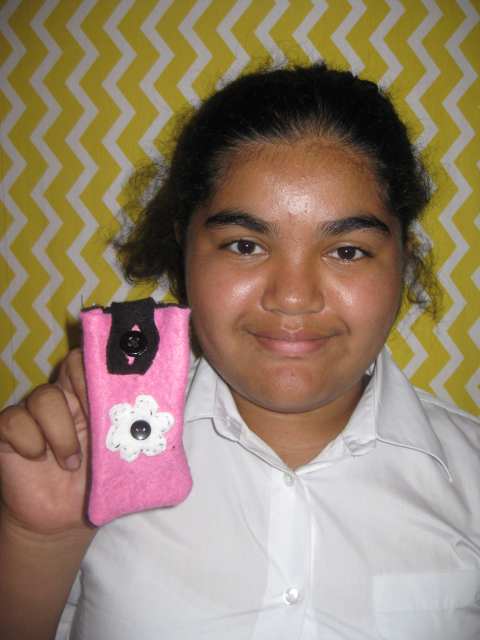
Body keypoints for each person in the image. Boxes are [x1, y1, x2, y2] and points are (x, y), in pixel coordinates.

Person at [1, 62, 479, 640]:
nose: (293, 297)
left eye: (347, 251)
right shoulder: (88, 465)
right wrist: (38, 539)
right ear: (184, 248)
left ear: (404, 256)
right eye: (246, 245)